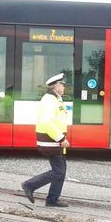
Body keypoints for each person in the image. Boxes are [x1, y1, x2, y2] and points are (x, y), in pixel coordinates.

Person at [20, 72, 70, 207]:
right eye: (62, 84)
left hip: (55, 141)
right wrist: (61, 138)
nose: (64, 86)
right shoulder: (49, 100)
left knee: (61, 170)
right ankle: (29, 185)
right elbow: (48, 123)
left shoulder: (56, 99)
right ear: (55, 86)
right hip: (50, 141)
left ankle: (52, 200)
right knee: (59, 171)